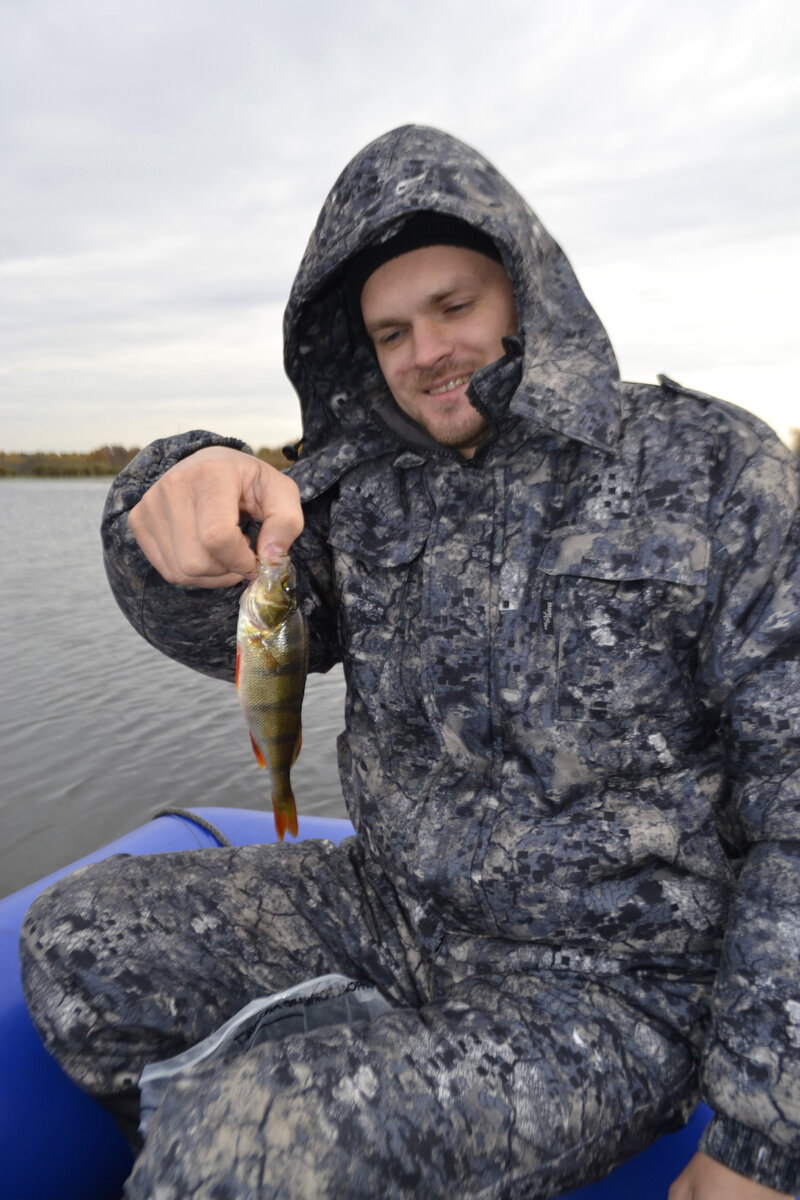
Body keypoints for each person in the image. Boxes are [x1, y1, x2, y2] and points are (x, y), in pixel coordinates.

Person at [20, 125, 800, 1199]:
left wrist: (761, 1142)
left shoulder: (716, 469)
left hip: (620, 983)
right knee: (76, 938)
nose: (424, 352)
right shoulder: (361, 486)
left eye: (453, 307)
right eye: (389, 332)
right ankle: (301, 1106)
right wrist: (167, 493)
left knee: (254, 1145)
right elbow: (240, 632)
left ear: (530, 294)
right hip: (388, 904)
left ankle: (272, 1132)